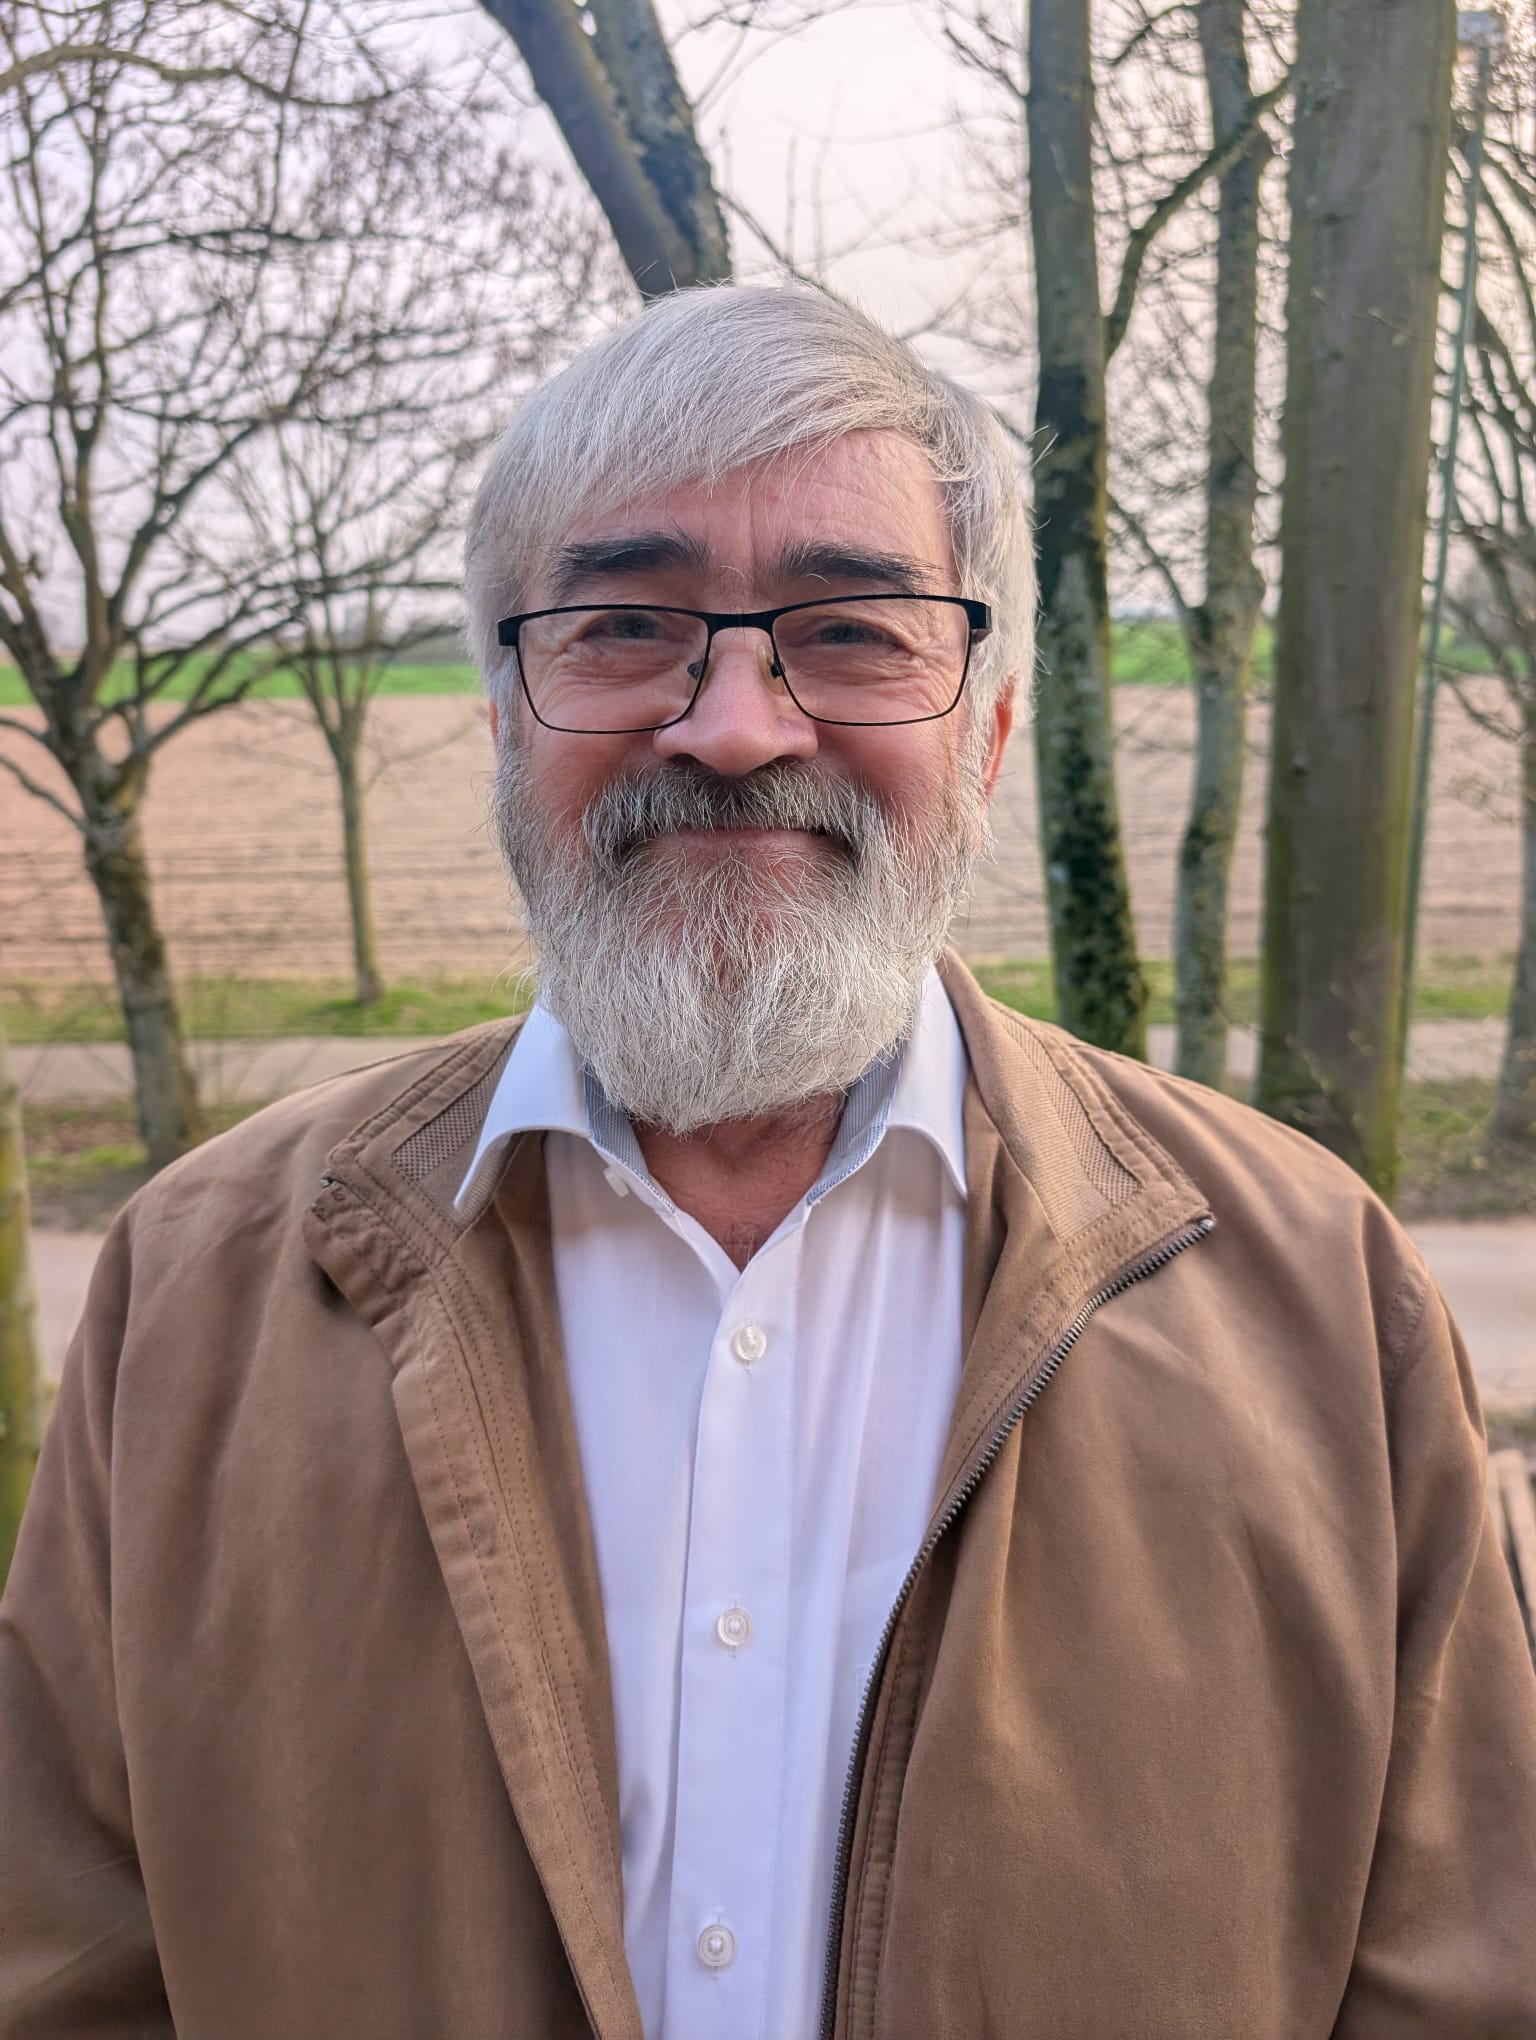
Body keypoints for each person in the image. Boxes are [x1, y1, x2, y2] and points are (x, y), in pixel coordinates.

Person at [2, 285, 1533, 2040]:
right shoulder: (190, 1298)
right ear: (506, 721)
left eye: (855, 632)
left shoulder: (1324, 1302)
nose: (734, 726)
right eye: (624, 627)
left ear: (987, 734)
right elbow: (65, 1978)